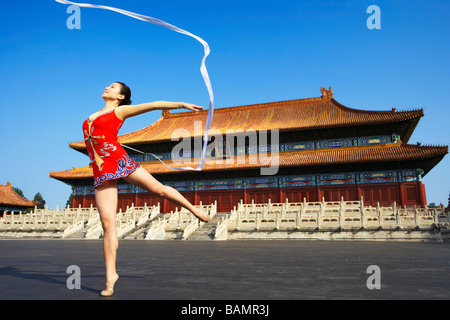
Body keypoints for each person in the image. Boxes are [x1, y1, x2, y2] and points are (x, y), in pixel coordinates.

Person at [83, 82, 210, 297]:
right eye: (107, 86)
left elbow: (152, 105)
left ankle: (193, 209)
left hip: (120, 161)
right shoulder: (92, 115)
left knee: (159, 189)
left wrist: (180, 104)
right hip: (100, 169)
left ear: (121, 96)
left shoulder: (119, 111)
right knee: (107, 223)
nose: (107, 88)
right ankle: (110, 276)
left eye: (113, 87)